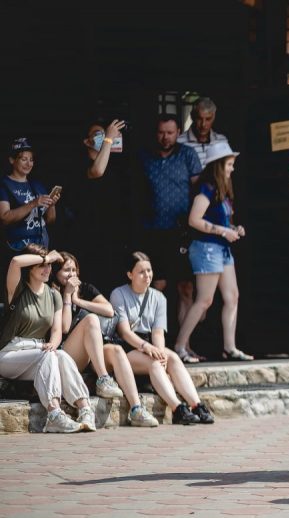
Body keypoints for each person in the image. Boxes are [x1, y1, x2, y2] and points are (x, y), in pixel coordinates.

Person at [52, 252, 159, 427]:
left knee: (116, 350)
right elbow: (64, 328)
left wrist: (77, 300)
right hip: (68, 354)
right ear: (56, 273)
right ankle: (103, 379)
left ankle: (136, 408)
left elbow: (109, 310)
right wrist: (67, 297)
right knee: (91, 320)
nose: (71, 274)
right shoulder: (54, 292)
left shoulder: (86, 288)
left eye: (74, 269)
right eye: (65, 270)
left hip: (92, 352)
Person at [110, 252, 214, 425]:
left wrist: (159, 350)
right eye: (141, 272)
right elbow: (124, 332)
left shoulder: (159, 297)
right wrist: (147, 348)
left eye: (149, 271)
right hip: (128, 346)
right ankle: (177, 409)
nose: (147, 275)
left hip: (149, 343)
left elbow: (158, 332)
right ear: (130, 274)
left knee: (172, 358)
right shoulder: (119, 294)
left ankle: (196, 405)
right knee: (155, 363)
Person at [0, 245, 95, 433]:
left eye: (50, 265)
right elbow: (15, 262)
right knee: (49, 356)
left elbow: (57, 330)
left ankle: (84, 408)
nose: (47, 269)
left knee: (61, 355)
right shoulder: (18, 289)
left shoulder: (53, 295)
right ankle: (53, 414)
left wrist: (53, 343)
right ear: (31, 267)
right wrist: (45, 257)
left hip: (39, 350)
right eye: (42, 265)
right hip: (10, 352)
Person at [173, 142, 252, 361]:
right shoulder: (207, 187)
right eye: (229, 164)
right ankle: (180, 346)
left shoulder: (223, 189)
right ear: (218, 165)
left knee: (232, 296)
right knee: (205, 300)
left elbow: (219, 220)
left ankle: (230, 347)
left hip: (222, 248)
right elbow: (194, 219)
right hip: (207, 247)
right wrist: (224, 231)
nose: (232, 168)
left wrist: (233, 229)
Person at [138, 114, 203, 362]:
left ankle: (184, 345)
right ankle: (156, 344)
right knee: (158, 286)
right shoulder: (145, 156)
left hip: (182, 231)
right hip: (154, 230)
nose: (165, 137)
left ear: (178, 133)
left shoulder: (187, 155)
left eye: (170, 132)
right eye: (161, 132)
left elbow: (198, 189)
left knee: (186, 288)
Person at [78, 119, 130, 293]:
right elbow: (97, 171)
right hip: (90, 235)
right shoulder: (83, 165)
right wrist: (108, 138)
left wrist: (114, 141)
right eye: (97, 134)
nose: (103, 137)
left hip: (112, 235)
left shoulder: (115, 167)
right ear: (86, 141)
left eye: (104, 133)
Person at [0, 138, 60, 257]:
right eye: (24, 159)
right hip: (18, 247)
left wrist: (52, 205)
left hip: (41, 246)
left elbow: (50, 220)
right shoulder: (4, 184)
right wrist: (33, 203)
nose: (29, 164)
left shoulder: (37, 185)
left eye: (31, 160)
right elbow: (5, 218)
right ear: (12, 160)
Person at [178, 97, 229, 168]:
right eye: (199, 118)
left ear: (214, 117)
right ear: (192, 117)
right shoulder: (179, 143)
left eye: (208, 119)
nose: (203, 124)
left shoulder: (222, 141)